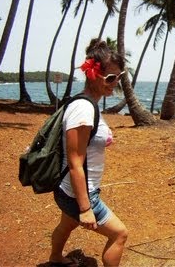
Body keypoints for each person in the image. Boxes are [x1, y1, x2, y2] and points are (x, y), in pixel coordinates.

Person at [49, 38, 128, 267]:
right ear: (93, 74)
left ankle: (55, 258)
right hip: (79, 194)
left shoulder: (87, 104)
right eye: (111, 78)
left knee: (66, 224)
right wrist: (85, 209)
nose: (115, 83)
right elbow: (75, 162)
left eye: (119, 77)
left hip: (68, 190)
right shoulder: (83, 109)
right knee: (119, 234)